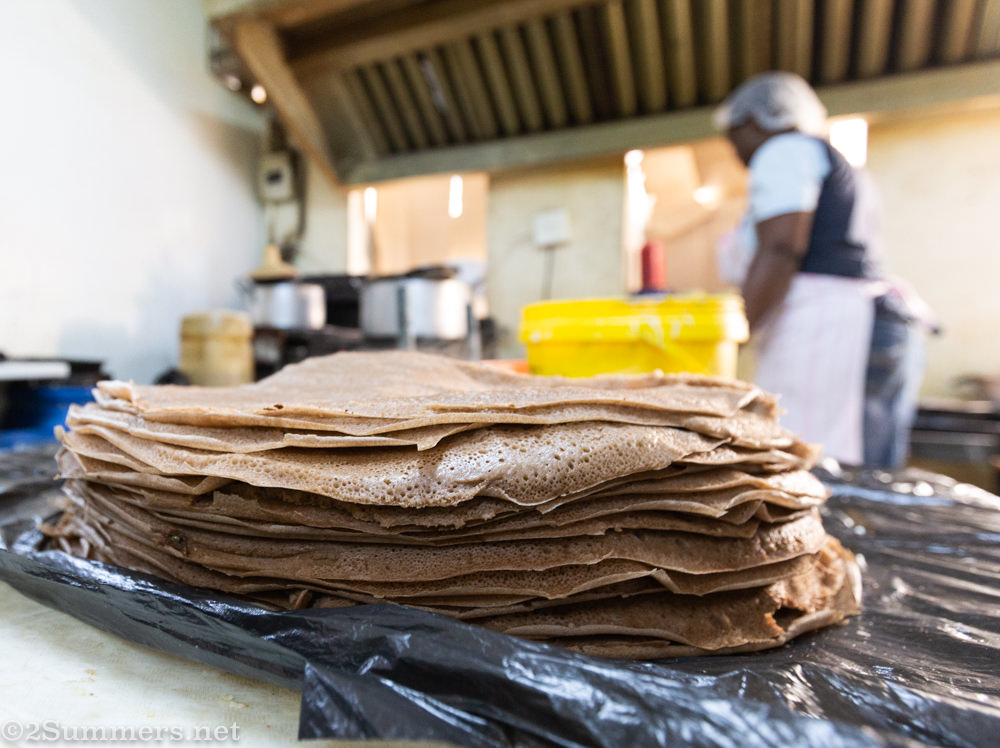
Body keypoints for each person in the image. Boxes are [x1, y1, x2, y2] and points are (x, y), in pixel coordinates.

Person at [713, 71, 931, 467]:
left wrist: (736, 332)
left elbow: (780, 248)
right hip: (868, 323)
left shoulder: (784, 151)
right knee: (870, 473)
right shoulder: (831, 161)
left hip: (829, 329)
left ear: (753, 121)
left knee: (816, 463)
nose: (735, 151)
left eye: (733, 137)